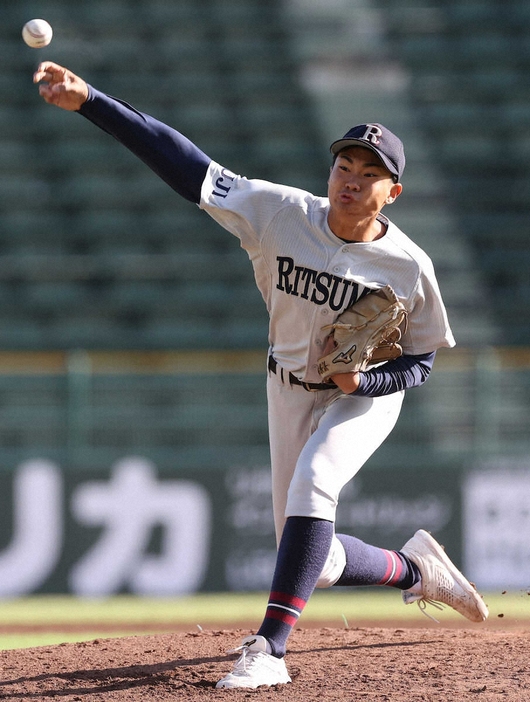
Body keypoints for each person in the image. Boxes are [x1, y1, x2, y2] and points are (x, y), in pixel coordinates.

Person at [34, 62, 488, 690]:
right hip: (287, 385)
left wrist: (368, 385)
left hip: (361, 396)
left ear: (394, 193)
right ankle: (414, 571)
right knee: (316, 560)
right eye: (344, 167)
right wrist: (91, 102)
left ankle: (269, 649)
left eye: (369, 174)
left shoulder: (409, 266)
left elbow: (424, 358)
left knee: (316, 481)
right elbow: (186, 164)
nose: (350, 181)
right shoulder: (280, 213)